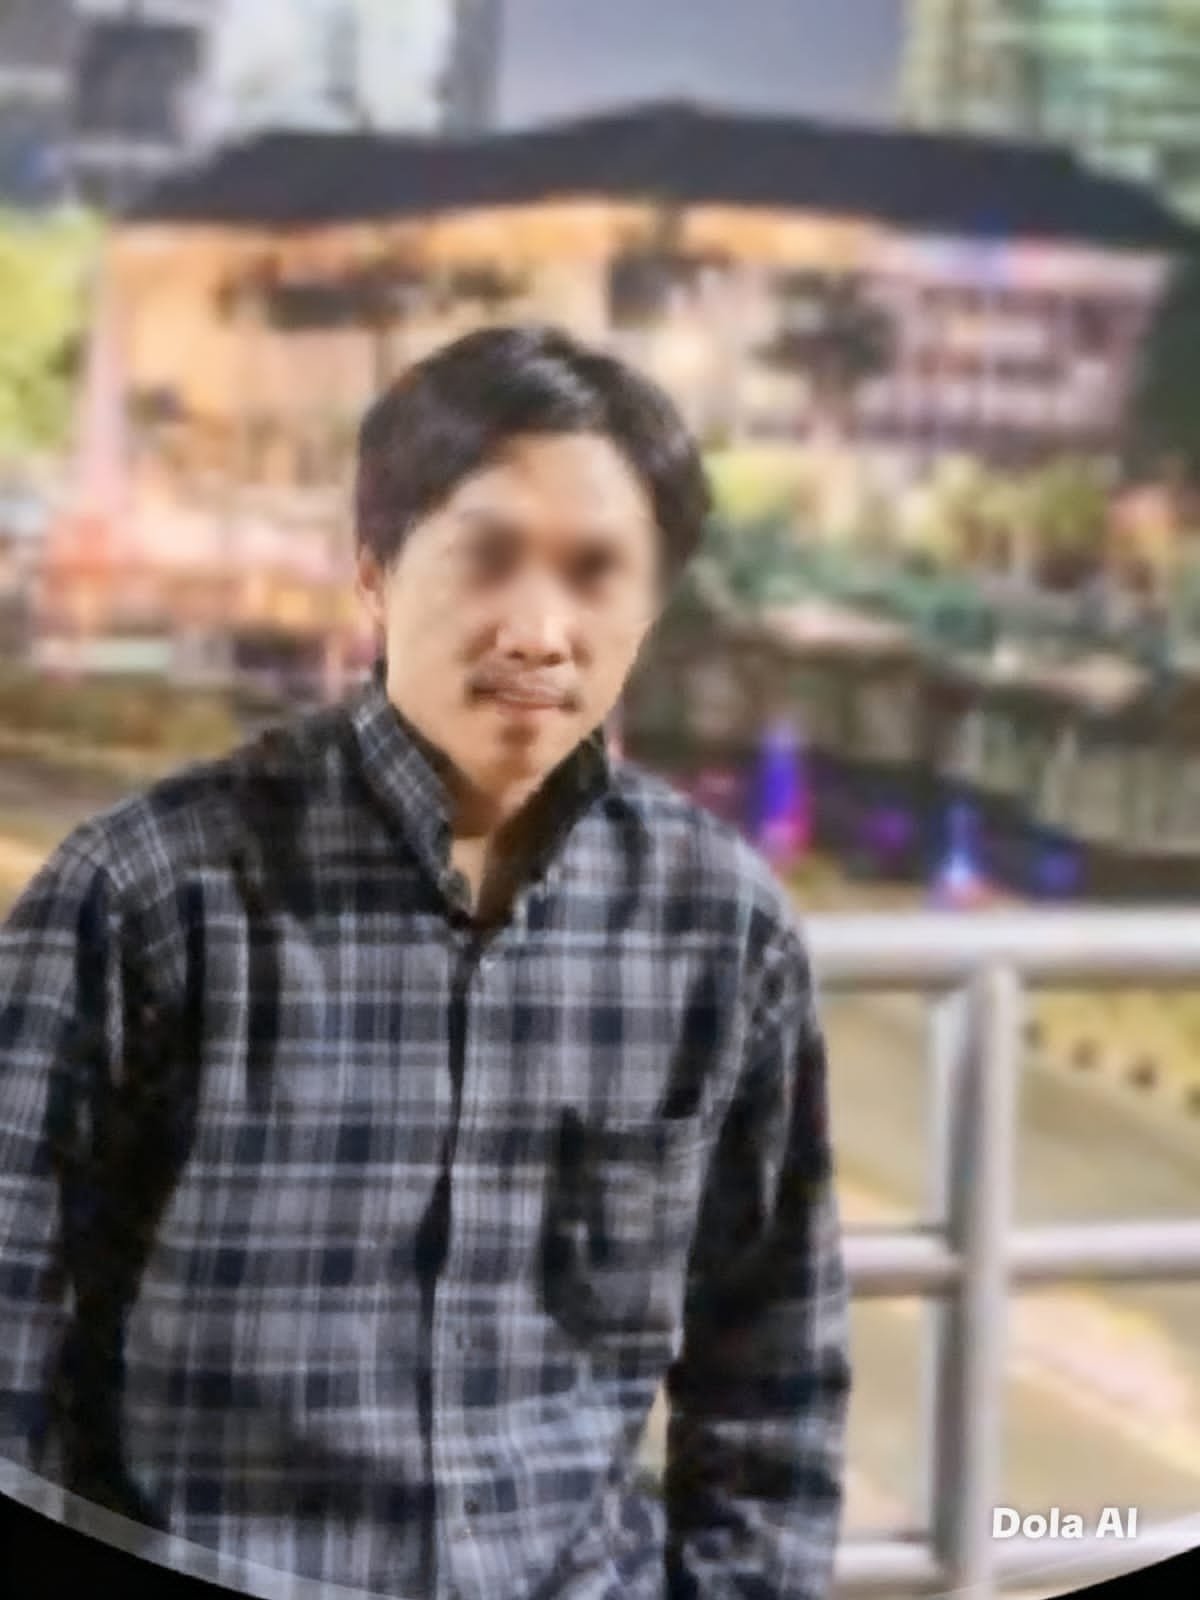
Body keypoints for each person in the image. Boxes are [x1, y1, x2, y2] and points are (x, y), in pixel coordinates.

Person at [0, 324, 851, 1600]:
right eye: (486, 557)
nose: (540, 630)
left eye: (597, 572)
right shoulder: (146, 895)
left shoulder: (719, 928)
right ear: (376, 570)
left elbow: (772, 1373)